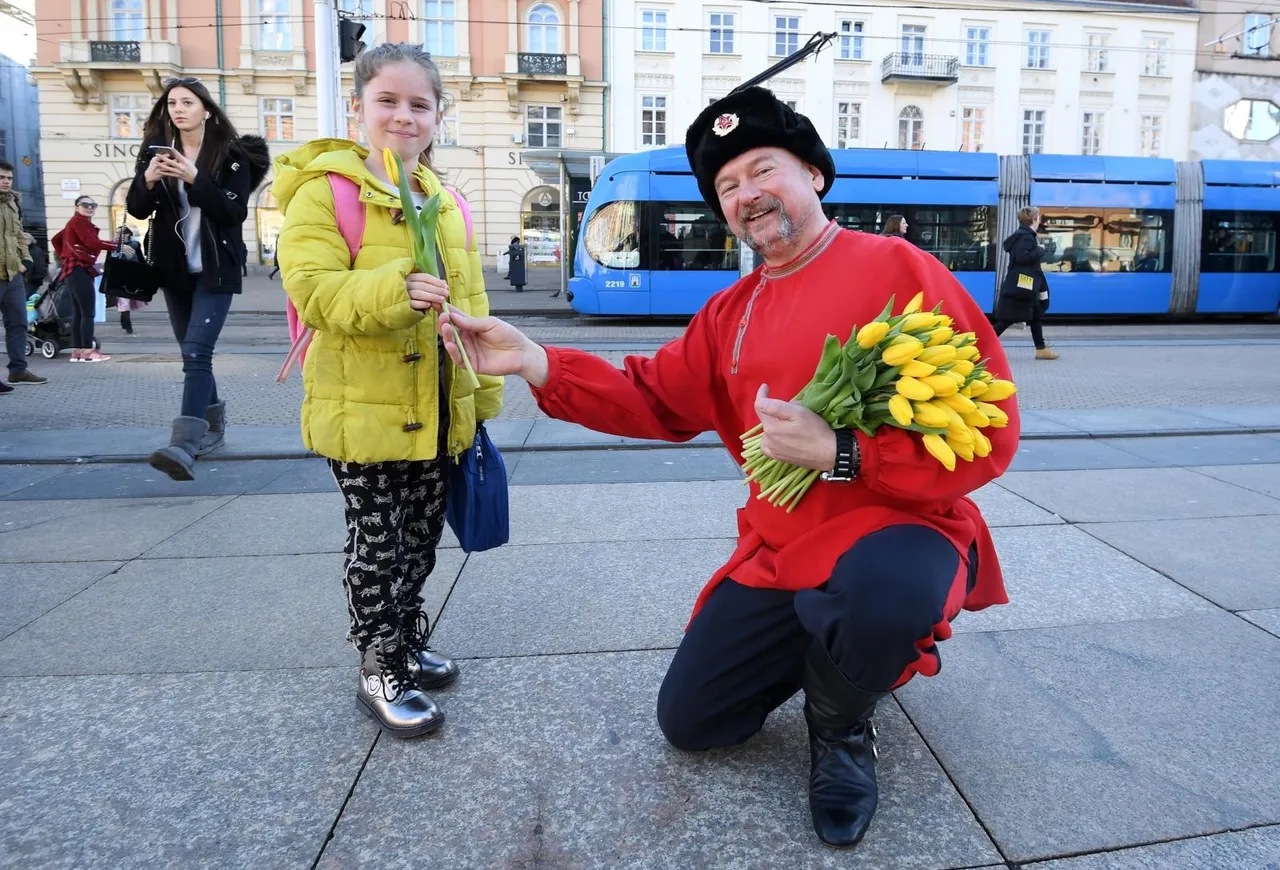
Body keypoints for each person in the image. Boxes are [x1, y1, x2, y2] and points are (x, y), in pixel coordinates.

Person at [437, 87, 1019, 848]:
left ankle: (842, 727)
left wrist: (843, 452)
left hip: (897, 531)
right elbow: (654, 397)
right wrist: (539, 361)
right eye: (728, 186)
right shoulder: (730, 310)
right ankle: (837, 642)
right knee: (694, 722)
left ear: (812, 173)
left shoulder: (896, 267)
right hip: (781, 553)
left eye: (761, 170)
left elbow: (991, 430)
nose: (746, 195)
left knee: (886, 595)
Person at [273, 42, 504, 739]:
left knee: (425, 536)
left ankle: (405, 638)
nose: (403, 116)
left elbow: (472, 307)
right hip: (361, 409)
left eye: (419, 104)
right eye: (388, 101)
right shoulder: (325, 192)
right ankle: (379, 666)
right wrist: (395, 289)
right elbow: (313, 292)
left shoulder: (447, 199)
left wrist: (481, 401)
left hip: (435, 409)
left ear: (438, 115)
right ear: (359, 108)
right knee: (380, 544)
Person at [126, 76, 270, 479]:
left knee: (196, 352)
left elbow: (234, 211)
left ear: (206, 109)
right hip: (173, 271)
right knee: (192, 354)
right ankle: (215, 427)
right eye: (172, 103)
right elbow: (138, 210)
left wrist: (194, 178)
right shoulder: (156, 153)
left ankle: (184, 445)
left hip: (216, 269)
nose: (178, 109)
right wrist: (148, 180)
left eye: (187, 102)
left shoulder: (233, 155)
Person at [51, 195, 116, 363]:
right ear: (77, 207)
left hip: (72, 270)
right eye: (85, 205)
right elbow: (91, 242)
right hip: (79, 269)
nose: (90, 208)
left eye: (93, 205)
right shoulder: (79, 222)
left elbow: (56, 240)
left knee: (79, 313)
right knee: (88, 313)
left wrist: (65, 255)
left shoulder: (75, 223)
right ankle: (88, 352)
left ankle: (78, 352)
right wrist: (116, 245)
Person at [0, 162, 45, 390]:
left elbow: (18, 235)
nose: (6, 181)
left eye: (9, 177)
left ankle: (18, 371)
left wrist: (26, 260)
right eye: (1, 177)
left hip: (13, 273)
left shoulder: (11, 203)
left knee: (18, 323)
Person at [993, 206, 1058, 360]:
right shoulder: (1026, 237)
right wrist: (1040, 250)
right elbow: (1021, 258)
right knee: (1006, 320)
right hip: (1022, 286)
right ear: (1034, 219)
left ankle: (1041, 349)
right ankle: (980, 345)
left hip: (1025, 285)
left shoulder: (1024, 235)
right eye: (1039, 217)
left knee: (1036, 315)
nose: (1040, 220)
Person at [112, 226, 146, 335]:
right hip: (119, 277)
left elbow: (141, 259)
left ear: (127, 234)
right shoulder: (113, 246)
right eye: (117, 233)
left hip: (132, 276)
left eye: (120, 233)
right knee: (124, 301)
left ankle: (124, 320)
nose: (118, 236)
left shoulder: (135, 245)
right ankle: (127, 324)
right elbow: (109, 260)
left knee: (128, 300)